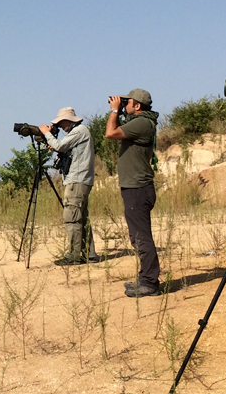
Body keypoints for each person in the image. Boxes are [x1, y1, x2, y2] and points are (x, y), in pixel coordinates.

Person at [105, 89, 162, 297]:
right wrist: (119, 111)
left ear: (137, 106)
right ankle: (145, 278)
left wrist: (114, 111)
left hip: (137, 189)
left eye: (127, 102)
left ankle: (150, 282)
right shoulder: (141, 122)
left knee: (141, 237)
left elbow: (111, 133)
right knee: (138, 235)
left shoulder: (140, 123)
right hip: (136, 187)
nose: (124, 104)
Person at [40, 107, 98, 265]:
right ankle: (89, 254)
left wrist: (46, 133)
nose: (60, 126)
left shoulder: (79, 131)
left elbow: (59, 146)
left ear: (68, 120)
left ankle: (73, 256)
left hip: (77, 180)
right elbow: (64, 149)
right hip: (81, 180)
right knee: (81, 218)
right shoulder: (80, 132)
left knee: (71, 219)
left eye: (60, 123)